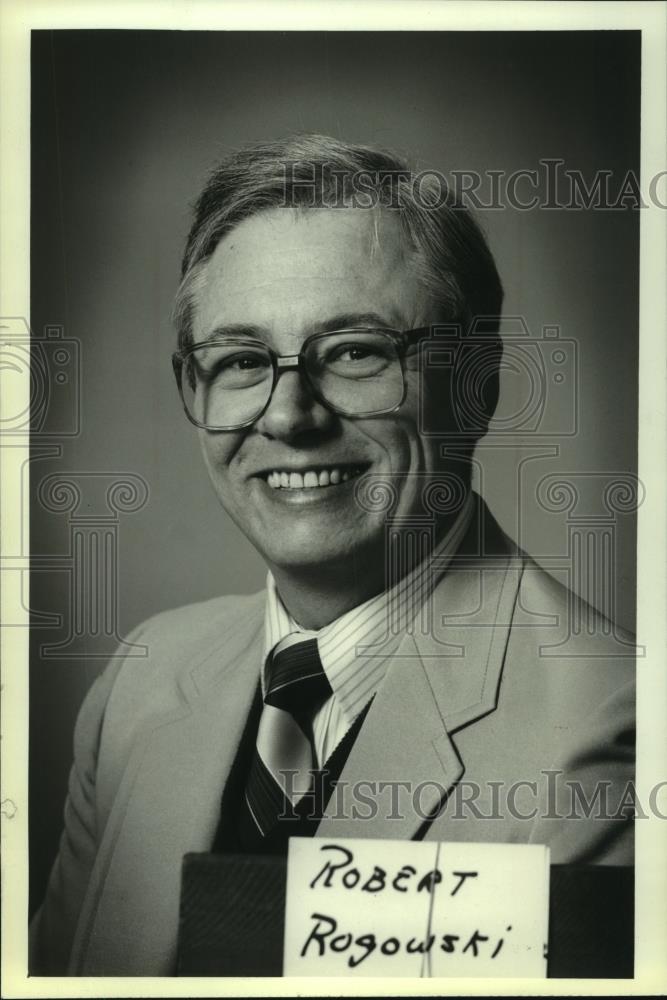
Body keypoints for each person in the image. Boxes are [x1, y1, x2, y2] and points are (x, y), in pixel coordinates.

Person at [29, 134, 635, 975]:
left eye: (355, 350)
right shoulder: (138, 684)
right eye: (242, 361)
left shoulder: (615, 734)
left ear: (476, 381)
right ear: (192, 392)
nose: (287, 416)